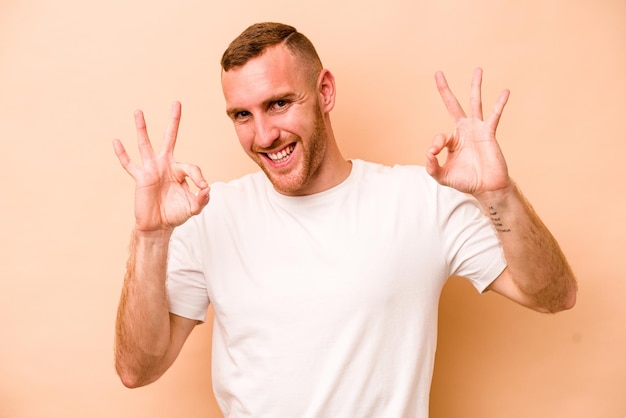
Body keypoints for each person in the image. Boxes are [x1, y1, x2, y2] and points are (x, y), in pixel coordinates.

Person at [112, 22, 577, 417]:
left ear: (325, 91)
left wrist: (500, 194)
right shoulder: (210, 215)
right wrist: (150, 236)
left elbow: (554, 295)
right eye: (242, 115)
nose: (264, 134)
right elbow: (138, 370)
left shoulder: (421, 200)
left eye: (278, 103)